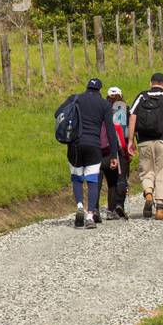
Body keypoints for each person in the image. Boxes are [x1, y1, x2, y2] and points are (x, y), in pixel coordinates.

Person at [55, 78, 118, 230]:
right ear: (100, 90)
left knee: (77, 177)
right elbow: (110, 131)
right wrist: (114, 155)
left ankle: (79, 206)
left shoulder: (75, 98)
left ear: (87, 87)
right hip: (94, 146)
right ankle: (90, 215)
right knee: (92, 180)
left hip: (75, 145)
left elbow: (57, 113)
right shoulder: (104, 104)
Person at [128, 71, 163, 220]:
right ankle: (160, 208)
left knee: (147, 171)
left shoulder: (142, 96)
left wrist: (130, 141)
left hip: (144, 141)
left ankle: (148, 193)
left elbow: (132, 118)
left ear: (150, 83)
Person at [101, 85, 131, 219]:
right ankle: (119, 204)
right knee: (122, 176)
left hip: (105, 148)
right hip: (121, 146)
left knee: (110, 180)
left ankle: (109, 210)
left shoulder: (102, 108)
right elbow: (128, 129)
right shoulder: (124, 108)